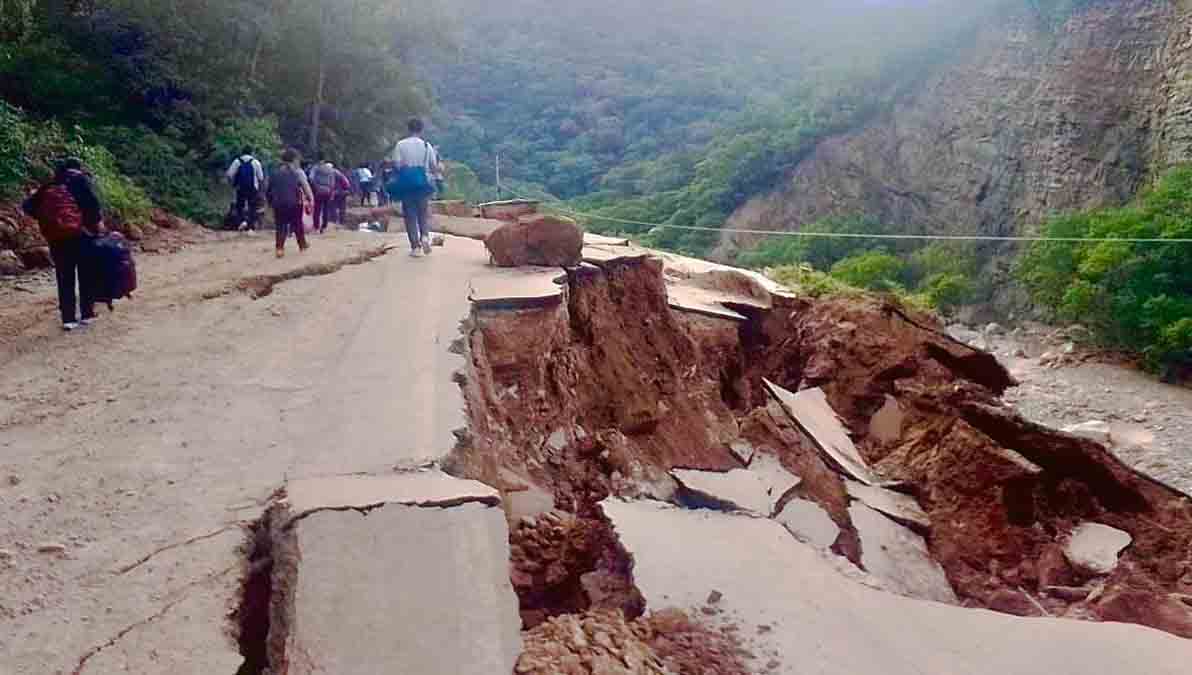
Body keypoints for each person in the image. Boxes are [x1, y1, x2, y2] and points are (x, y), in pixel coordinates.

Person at [22, 158, 104, 331]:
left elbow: (27, 207)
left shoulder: (50, 185)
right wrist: (95, 226)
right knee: (86, 275)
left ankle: (68, 319)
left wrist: (49, 220)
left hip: (58, 239)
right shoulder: (81, 181)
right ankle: (87, 314)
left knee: (64, 277)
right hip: (83, 236)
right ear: (76, 168)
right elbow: (93, 207)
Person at [390, 118, 441, 257]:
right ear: (421, 130)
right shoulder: (426, 146)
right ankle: (424, 236)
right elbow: (433, 167)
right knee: (422, 213)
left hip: (406, 184)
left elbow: (397, 164)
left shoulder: (400, 145)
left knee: (410, 215)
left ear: (408, 129)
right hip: (422, 184)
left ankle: (415, 247)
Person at [266, 148, 315, 258]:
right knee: (297, 224)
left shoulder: (275, 173)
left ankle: (279, 249)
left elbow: (268, 190)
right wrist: (310, 199)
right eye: (298, 159)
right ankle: (302, 245)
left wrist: (270, 204)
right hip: (294, 203)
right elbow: (306, 187)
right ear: (294, 159)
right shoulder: (298, 172)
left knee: (280, 225)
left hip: (278, 203)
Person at [225, 147, 265, 231]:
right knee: (252, 207)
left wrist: (232, 184)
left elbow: (229, 174)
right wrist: (261, 191)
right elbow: (261, 178)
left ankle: (242, 222)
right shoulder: (256, 162)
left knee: (240, 206)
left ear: (242, 152)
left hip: (240, 188)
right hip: (253, 188)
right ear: (252, 152)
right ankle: (250, 226)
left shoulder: (237, 161)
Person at [308, 156, 339, 234]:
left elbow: (310, 178)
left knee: (317, 209)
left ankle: (316, 227)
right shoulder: (330, 169)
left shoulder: (315, 168)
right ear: (324, 160)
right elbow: (332, 182)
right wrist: (331, 191)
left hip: (318, 191)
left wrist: (315, 186)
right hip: (328, 191)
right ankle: (324, 227)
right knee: (326, 209)